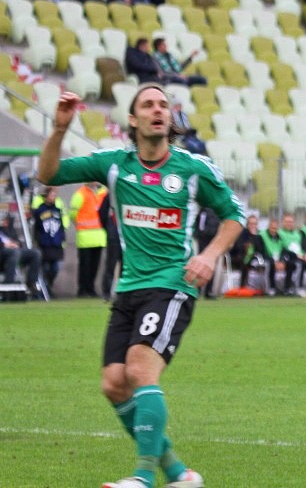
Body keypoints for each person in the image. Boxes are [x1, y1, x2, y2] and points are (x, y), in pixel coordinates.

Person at [37, 85, 245, 488]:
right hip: (129, 287)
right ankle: (178, 474)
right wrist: (60, 129)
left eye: (163, 105)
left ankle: (143, 477)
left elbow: (233, 215)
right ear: (132, 120)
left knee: (138, 370)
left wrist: (209, 254)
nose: (158, 110)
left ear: (169, 118)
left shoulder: (192, 168)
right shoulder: (115, 165)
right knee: (113, 384)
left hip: (172, 285)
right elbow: (49, 174)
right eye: (148, 105)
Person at [70, 180, 107, 297]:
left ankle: (91, 289)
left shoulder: (103, 192)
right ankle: (83, 289)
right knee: (85, 265)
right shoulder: (80, 194)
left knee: (95, 266)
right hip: (85, 236)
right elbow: (72, 214)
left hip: (99, 236)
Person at [31, 185, 68, 296]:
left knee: (56, 267)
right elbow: (37, 227)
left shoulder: (57, 210)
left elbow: (61, 225)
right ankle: (46, 289)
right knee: (45, 267)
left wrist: (62, 238)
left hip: (56, 244)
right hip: (45, 244)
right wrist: (37, 240)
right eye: (51, 194)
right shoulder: (40, 210)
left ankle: (48, 286)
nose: (53, 196)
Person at [0, 217, 42, 296]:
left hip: (14, 252)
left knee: (35, 253)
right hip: (3, 253)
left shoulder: (6, 230)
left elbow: (18, 242)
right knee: (14, 253)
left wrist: (15, 244)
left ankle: (31, 283)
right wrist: (5, 245)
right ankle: (8, 284)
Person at [259, 216, 297, 295]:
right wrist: (274, 262)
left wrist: (281, 261)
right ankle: (271, 288)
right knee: (270, 264)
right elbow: (261, 252)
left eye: (276, 229)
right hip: (265, 259)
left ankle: (287, 288)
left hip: (277, 260)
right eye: (272, 228)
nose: (274, 231)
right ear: (268, 227)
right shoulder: (261, 236)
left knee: (290, 264)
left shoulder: (279, 238)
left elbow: (283, 251)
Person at [98, 191, 121, 301]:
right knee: (111, 265)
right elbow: (102, 211)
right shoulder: (111, 194)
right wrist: (108, 227)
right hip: (115, 235)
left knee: (125, 266)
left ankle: (122, 292)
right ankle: (107, 292)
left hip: (125, 236)